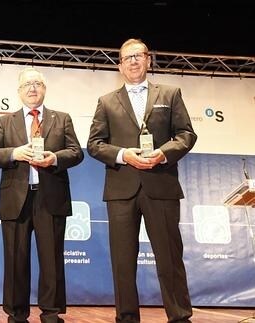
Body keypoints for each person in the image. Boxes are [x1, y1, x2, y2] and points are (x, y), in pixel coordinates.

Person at [87, 38, 197, 323]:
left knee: (169, 258)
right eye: (127, 58)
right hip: (121, 188)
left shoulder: (170, 93)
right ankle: (126, 317)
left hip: (161, 185)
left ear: (149, 60)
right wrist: (124, 154)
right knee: (123, 261)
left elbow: (186, 135)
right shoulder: (106, 102)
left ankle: (180, 316)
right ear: (120, 66)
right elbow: (95, 144)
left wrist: (162, 154)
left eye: (138, 56)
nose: (133, 61)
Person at [0, 67, 83, 323]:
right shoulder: (5, 122)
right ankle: (16, 314)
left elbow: (76, 152)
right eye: (27, 84)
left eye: (37, 83)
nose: (32, 88)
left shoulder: (62, 118)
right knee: (15, 259)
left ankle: (51, 313)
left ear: (44, 89)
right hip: (15, 198)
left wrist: (54, 158)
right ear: (19, 91)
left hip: (50, 197)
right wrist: (14, 153)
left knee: (51, 259)